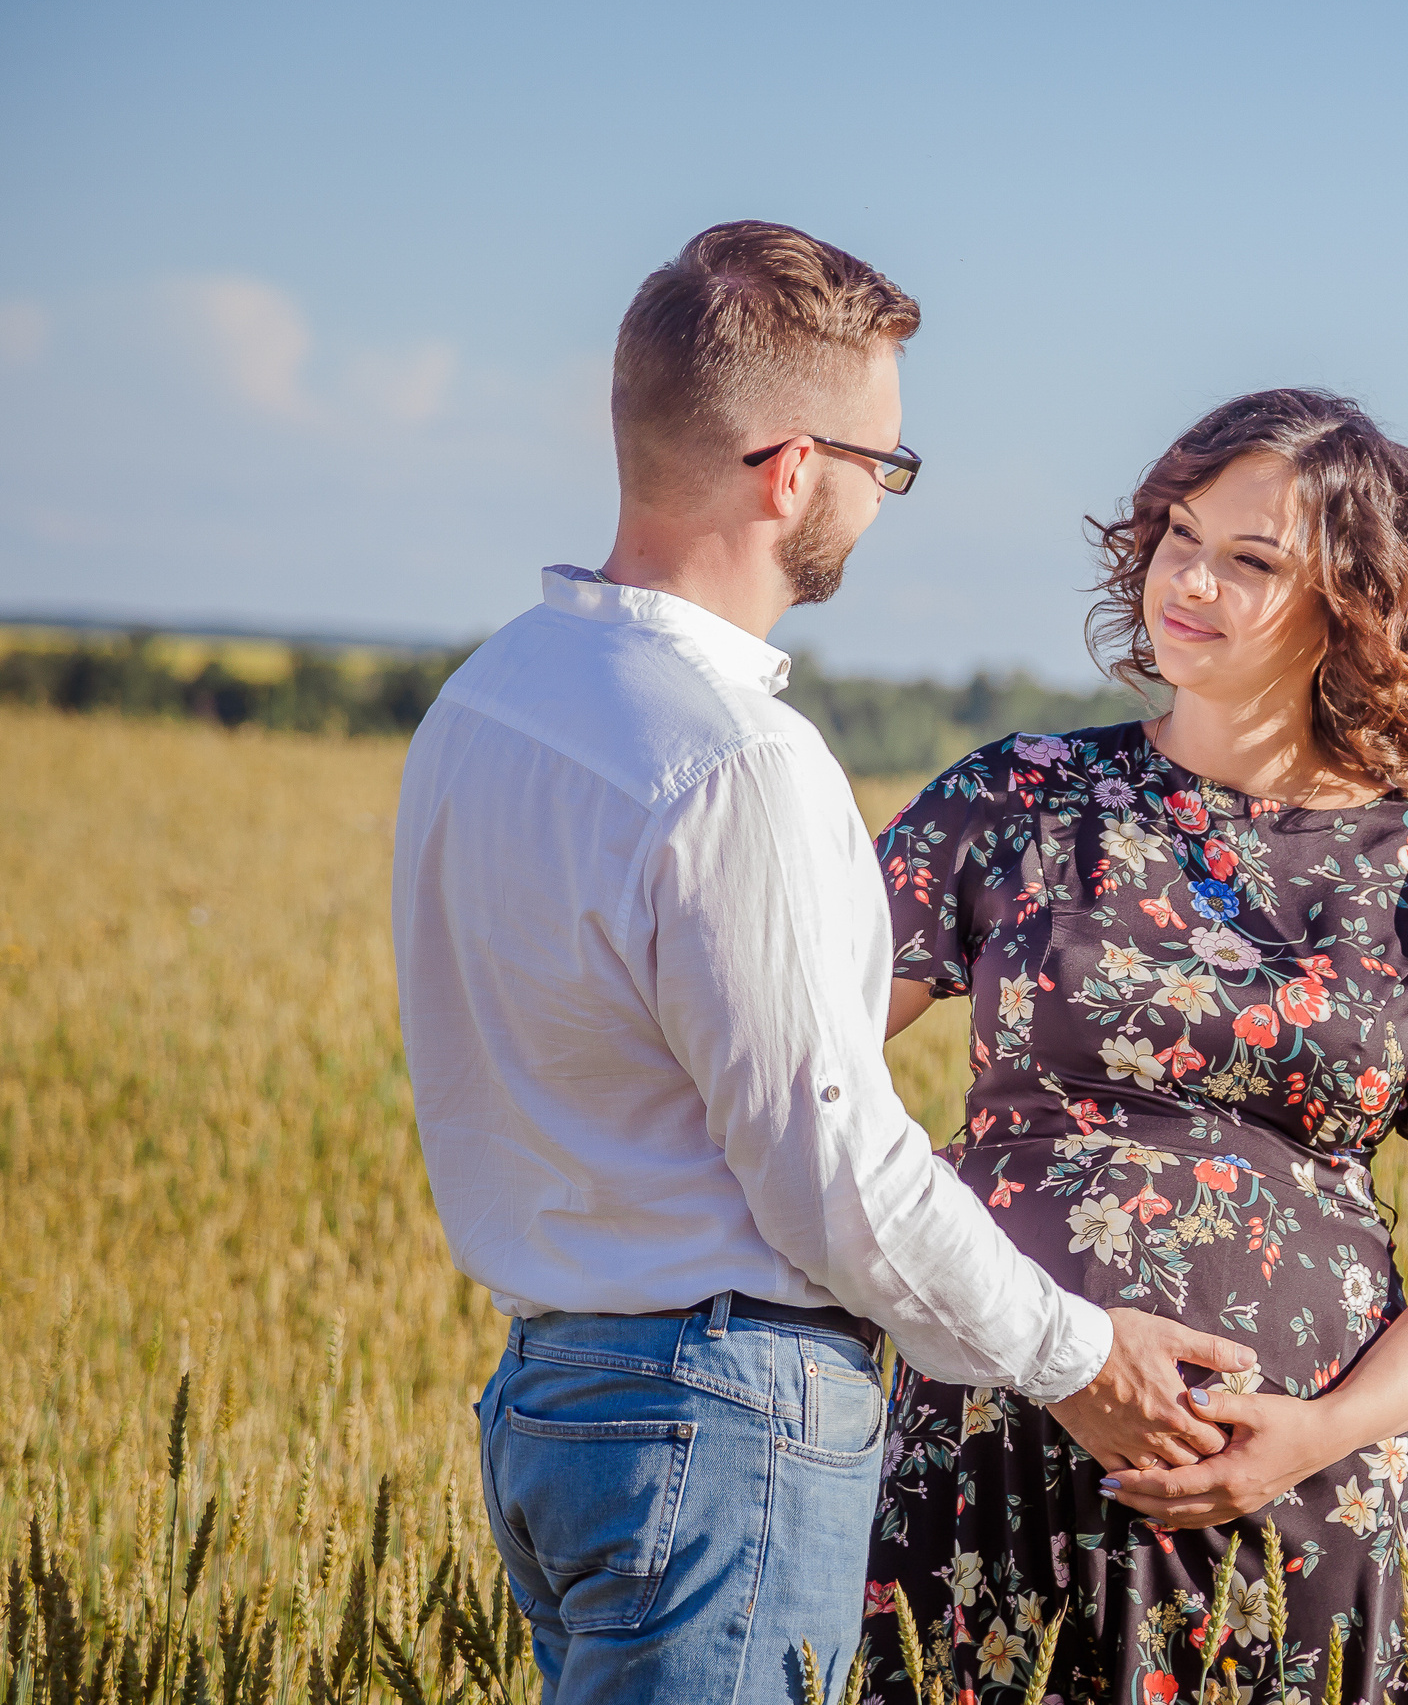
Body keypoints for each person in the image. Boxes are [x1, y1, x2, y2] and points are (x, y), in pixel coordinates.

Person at [391, 221, 1253, 1704]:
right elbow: (835, 1174)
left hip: (552, 1401)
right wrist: (1077, 1357)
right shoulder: (738, 759)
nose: (878, 499)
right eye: (882, 464)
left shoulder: (488, 700)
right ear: (793, 470)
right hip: (719, 1422)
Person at [864, 390, 1408, 1705]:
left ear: (1352, 610)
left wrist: (1318, 1432)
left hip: (1297, 1502)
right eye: (1178, 536)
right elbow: (797, 1053)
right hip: (992, 1457)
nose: (1187, 580)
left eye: (1250, 560)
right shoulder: (1017, 798)